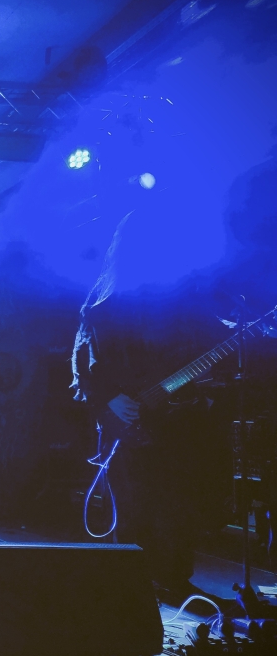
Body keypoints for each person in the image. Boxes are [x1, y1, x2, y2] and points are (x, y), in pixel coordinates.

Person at [71, 213, 230, 590]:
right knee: (133, 504)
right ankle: (132, 584)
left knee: (178, 501)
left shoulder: (183, 296)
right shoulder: (106, 300)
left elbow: (209, 344)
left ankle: (175, 579)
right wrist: (109, 399)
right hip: (127, 419)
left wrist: (205, 377)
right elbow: (83, 356)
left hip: (176, 420)